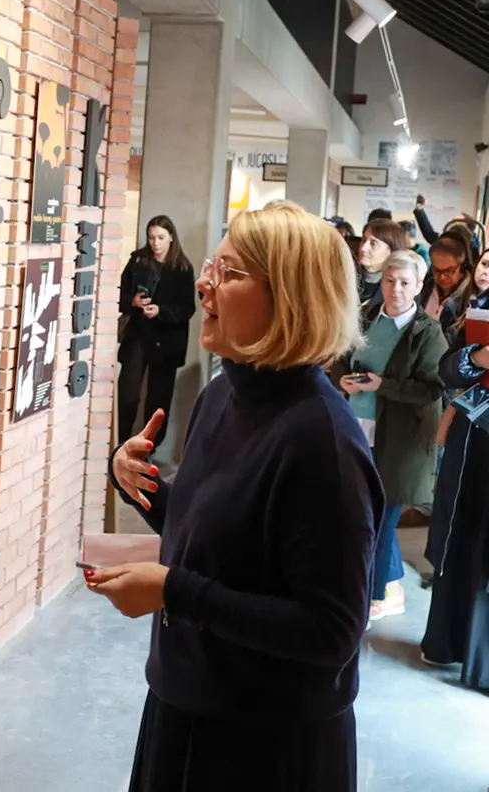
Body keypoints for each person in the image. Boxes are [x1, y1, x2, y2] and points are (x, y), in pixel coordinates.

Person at [90, 202, 383, 792]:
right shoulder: (222, 395)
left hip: (266, 743)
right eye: (211, 266)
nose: (204, 285)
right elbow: (215, 536)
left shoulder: (322, 440)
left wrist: (175, 589)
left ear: (291, 298)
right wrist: (142, 487)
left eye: (230, 273)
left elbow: (331, 631)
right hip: (185, 700)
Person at [333, 251, 447, 622]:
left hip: (399, 440)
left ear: (418, 286)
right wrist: (344, 380)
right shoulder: (366, 317)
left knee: (380, 522)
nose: (395, 289)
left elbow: (431, 389)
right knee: (352, 515)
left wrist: (385, 385)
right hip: (356, 427)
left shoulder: (427, 332)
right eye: (389, 281)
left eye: (404, 283)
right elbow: (341, 358)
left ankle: (368, 597)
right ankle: (368, 588)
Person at [421, 251, 489, 688]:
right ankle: (449, 643)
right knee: (462, 536)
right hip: (474, 438)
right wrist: (479, 360)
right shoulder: (481, 308)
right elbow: (448, 368)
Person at [117, 216, 195, 450]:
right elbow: (118, 295)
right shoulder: (138, 260)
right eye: (151, 238)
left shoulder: (182, 267)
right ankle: (120, 442)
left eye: (160, 237)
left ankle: (149, 448)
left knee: (159, 399)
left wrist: (161, 311)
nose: (155, 243)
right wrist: (133, 301)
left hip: (167, 341)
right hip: (138, 336)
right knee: (127, 394)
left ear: (171, 237)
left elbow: (187, 308)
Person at [421, 231, 472, 325]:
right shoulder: (425, 287)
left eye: (449, 270)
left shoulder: (471, 297)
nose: (442, 277)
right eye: (436, 270)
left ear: (462, 266)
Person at [357, 219, 410, 306]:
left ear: (391, 251)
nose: (363, 248)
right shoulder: (345, 274)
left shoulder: (400, 288)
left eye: (373, 243)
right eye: (363, 240)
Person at [414, 195, 483, 258]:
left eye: (454, 221)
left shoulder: (473, 246)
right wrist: (420, 210)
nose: (450, 222)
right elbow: (430, 235)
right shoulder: (448, 239)